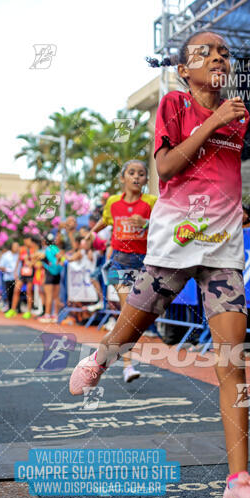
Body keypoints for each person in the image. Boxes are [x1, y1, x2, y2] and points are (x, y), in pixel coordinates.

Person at [70, 30, 250, 498]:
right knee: (128, 332)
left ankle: (238, 486)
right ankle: (102, 356)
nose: (218, 58)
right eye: (205, 52)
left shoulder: (238, 110)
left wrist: (241, 212)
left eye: (225, 52)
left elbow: (222, 176)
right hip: (173, 244)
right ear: (185, 69)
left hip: (223, 249)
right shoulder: (174, 103)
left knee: (235, 359)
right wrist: (212, 123)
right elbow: (166, 168)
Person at [86, 160, 156, 382]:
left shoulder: (152, 202)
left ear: (146, 179)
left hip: (145, 263)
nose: (137, 177)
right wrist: (90, 233)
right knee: (128, 313)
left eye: (142, 174)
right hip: (119, 262)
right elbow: (106, 221)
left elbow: (163, 226)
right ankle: (128, 365)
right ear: (123, 177)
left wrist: (145, 222)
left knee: (133, 318)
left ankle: (104, 353)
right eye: (132, 172)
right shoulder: (114, 203)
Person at [5, 234, 40, 319]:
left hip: (30, 273)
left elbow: (37, 260)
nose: (25, 242)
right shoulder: (22, 249)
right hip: (22, 273)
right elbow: (18, 261)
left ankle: (28, 311)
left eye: (26, 240)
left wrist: (30, 262)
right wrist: (15, 271)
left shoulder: (35, 249)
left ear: (30, 240)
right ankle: (13, 309)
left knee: (29, 292)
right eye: (24, 240)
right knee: (16, 290)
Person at [34, 232, 62, 323]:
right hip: (57, 273)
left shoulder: (46, 250)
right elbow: (60, 256)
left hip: (49, 273)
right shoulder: (55, 248)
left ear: (45, 242)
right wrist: (58, 263)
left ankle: (47, 315)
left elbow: (37, 257)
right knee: (56, 296)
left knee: (49, 295)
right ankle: (55, 315)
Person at [0, 241, 20, 311]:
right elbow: (1, 266)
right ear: (11, 247)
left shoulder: (20, 255)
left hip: (18, 278)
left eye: (17, 246)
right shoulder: (6, 255)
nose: (16, 248)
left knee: (17, 293)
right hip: (8, 278)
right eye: (15, 246)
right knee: (9, 293)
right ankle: (10, 307)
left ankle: (17, 308)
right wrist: (8, 270)